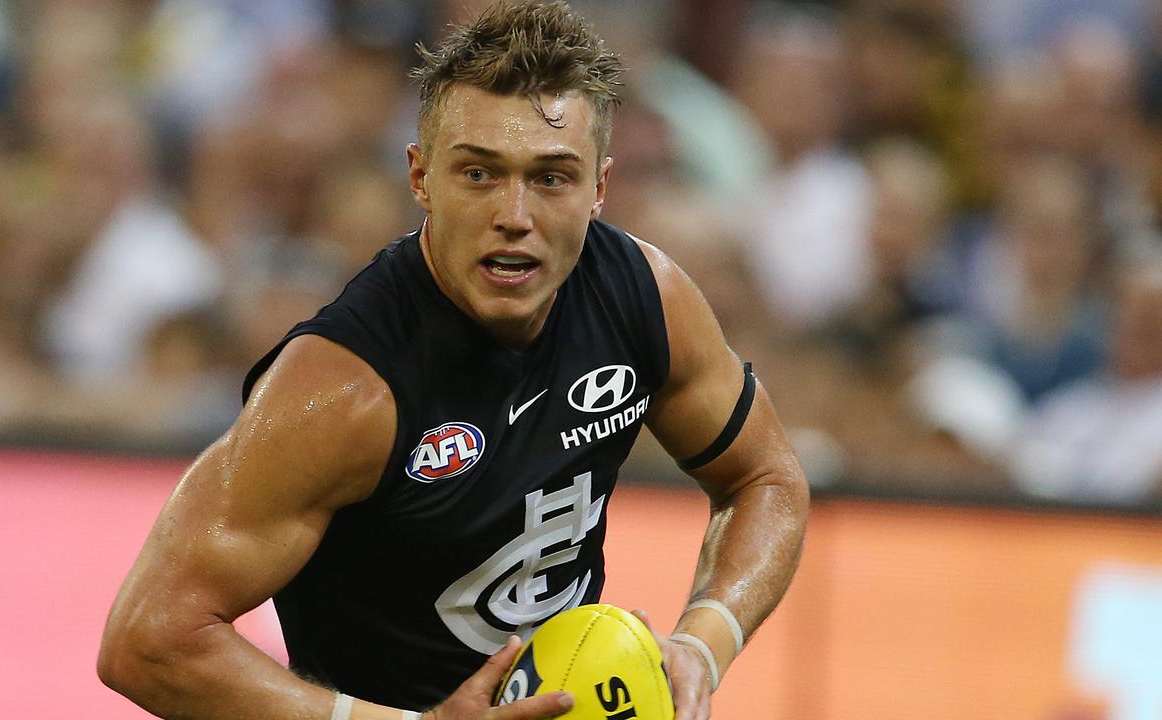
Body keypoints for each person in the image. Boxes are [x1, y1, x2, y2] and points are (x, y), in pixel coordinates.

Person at [97, 3, 809, 719]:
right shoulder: (345, 390)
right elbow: (147, 640)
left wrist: (702, 645)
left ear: (599, 188)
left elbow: (767, 478)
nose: (515, 213)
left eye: (552, 178)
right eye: (478, 174)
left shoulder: (642, 299)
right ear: (420, 178)